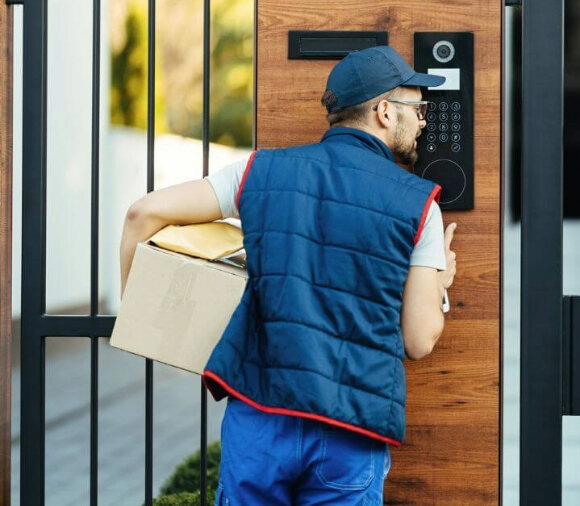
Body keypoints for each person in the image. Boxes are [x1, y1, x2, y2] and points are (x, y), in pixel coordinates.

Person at [119, 45, 457, 505]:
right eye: (417, 109)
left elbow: (142, 214)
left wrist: (138, 316)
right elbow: (418, 340)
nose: (422, 121)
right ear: (383, 111)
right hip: (351, 427)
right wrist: (440, 285)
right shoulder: (420, 205)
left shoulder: (258, 171)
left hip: (260, 414)